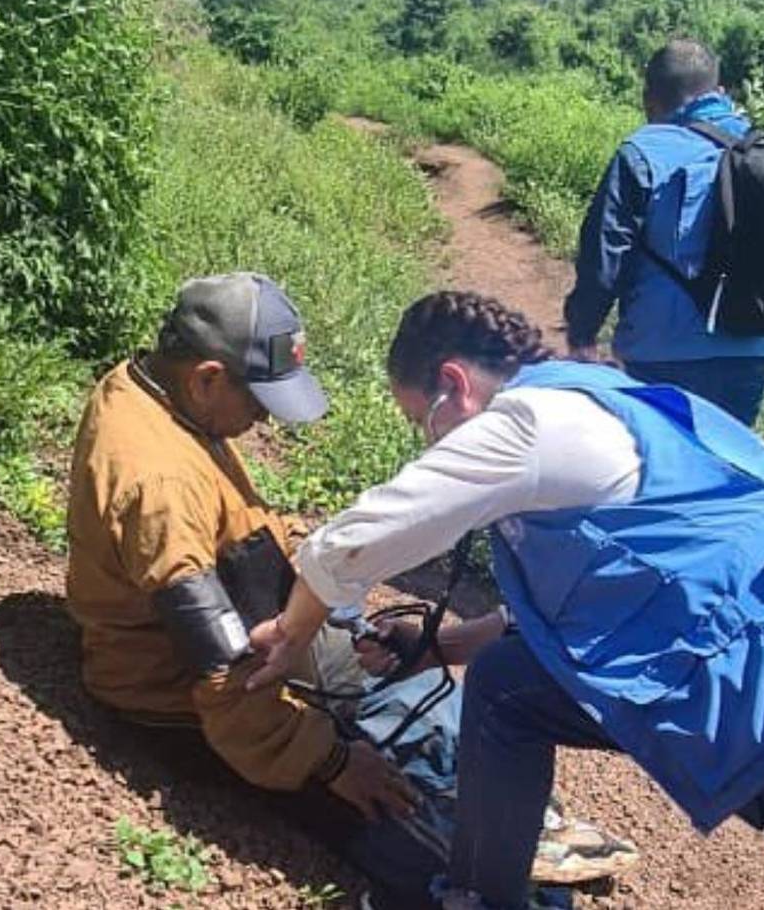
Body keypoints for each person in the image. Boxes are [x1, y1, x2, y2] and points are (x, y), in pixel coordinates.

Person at [247, 290, 764, 910]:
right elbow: (602, 597)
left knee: (504, 693)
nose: (428, 442)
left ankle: (476, 901)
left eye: (420, 421)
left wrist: (294, 631)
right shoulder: (603, 397)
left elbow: (356, 541)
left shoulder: (525, 423)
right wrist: (440, 645)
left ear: (453, 384)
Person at [64, 273, 620, 910]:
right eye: (260, 402)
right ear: (210, 377)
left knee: (436, 699)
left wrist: (332, 614)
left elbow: (237, 538)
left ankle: (506, 817)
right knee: (405, 823)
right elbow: (225, 675)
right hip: (194, 702)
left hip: (266, 644)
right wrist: (328, 762)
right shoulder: (158, 483)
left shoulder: (164, 394)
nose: (262, 421)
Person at [564, 40, 764, 426]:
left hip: (660, 353)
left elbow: (604, 255)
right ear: (721, 93)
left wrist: (582, 334)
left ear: (649, 100)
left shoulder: (642, 152)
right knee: (726, 471)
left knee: (662, 472)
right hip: (751, 354)